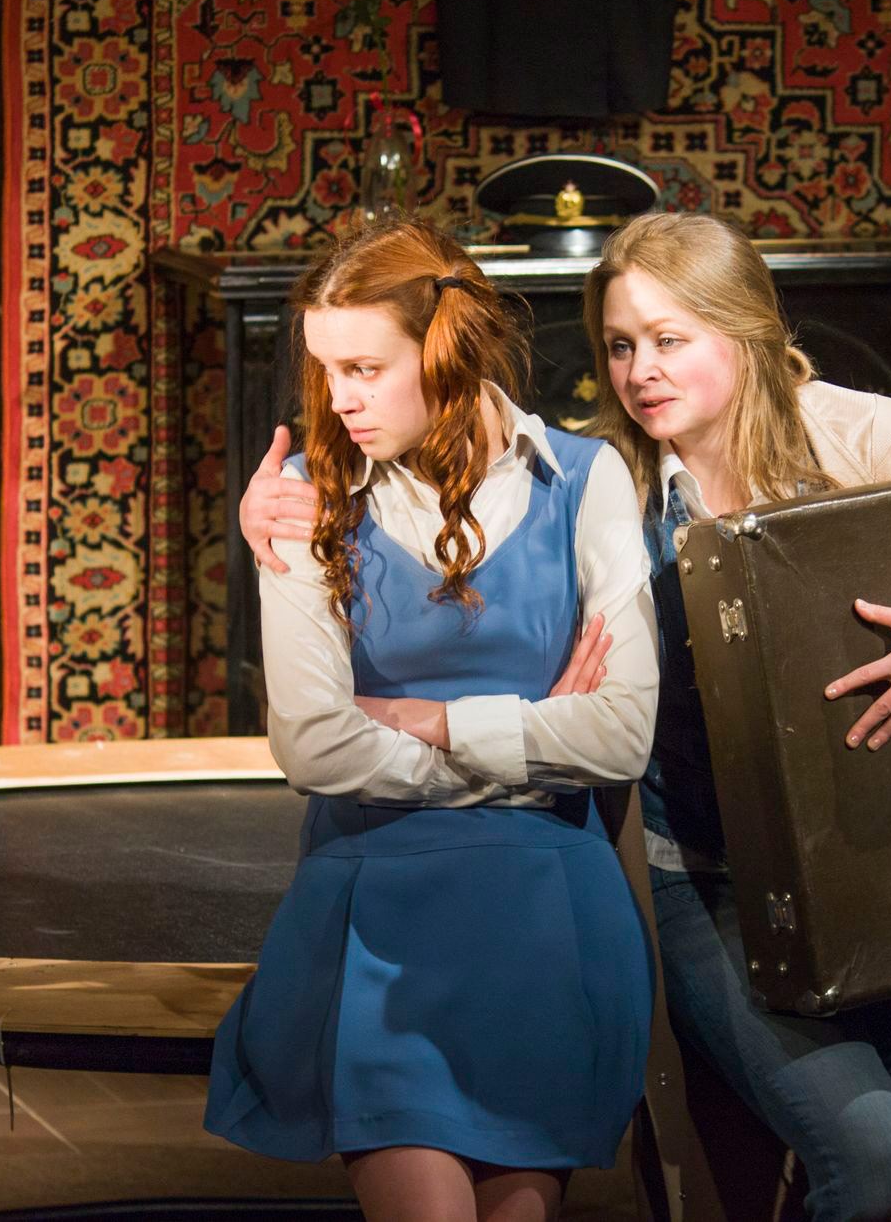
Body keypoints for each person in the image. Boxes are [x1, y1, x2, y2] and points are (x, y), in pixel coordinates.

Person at [240, 212, 891, 1221]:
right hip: (706, 880)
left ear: (744, 330)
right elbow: (471, 479)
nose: (640, 371)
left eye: (669, 338)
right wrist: (273, 508)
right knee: (875, 1158)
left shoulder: (862, 438)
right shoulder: (608, 480)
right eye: (620, 345)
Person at [206, 218, 658, 1222]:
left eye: (364, 368)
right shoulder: (304, 497)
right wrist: (529, 745)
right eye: (325, 370)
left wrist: (425, 719)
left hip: (547, 912)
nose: (338, 398)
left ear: (445, 356)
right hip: (383, 909)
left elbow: (623, 734)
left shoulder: (585, 480)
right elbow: (314, 743)